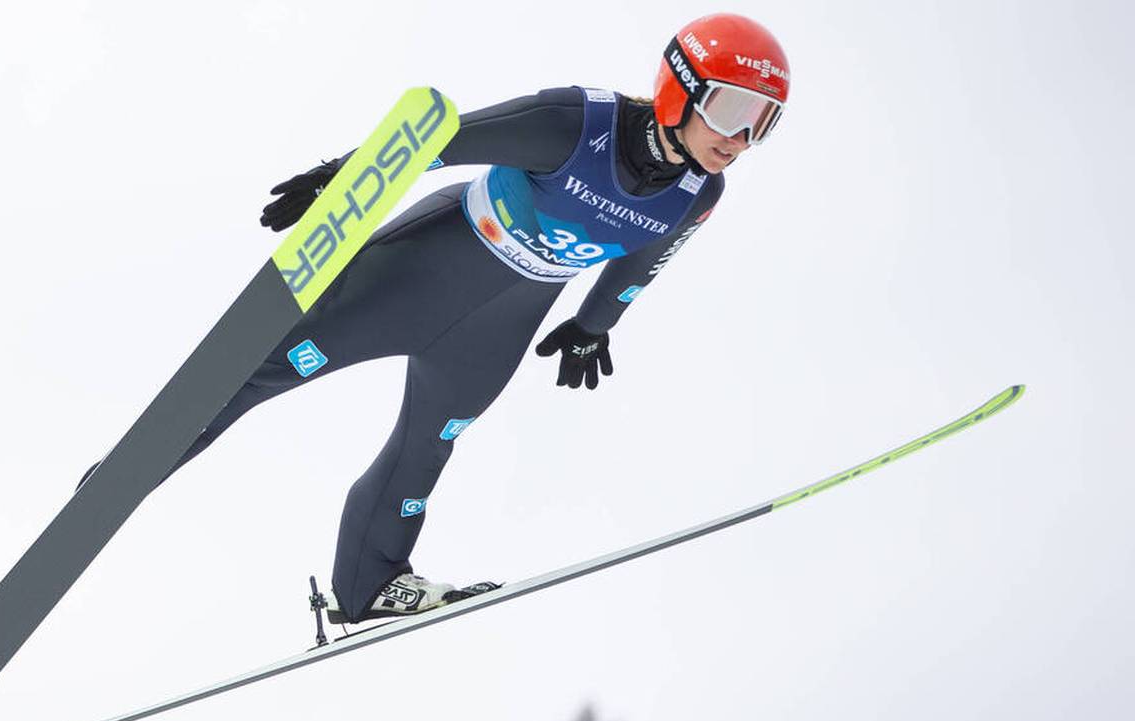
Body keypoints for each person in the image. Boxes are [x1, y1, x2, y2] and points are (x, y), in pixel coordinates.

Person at [84, 13, 790, 624]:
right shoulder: (577, 125)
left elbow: (640, 262)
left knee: (429, 445)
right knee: (256, 373)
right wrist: (338, 176)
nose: (739, 136)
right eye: (730, 108)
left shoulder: (697, 194)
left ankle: (370, 585)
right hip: (422, 270)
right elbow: (440, 138)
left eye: (761, 122)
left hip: (501, 323)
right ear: (678, 87)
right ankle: (119, 481)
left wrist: (593, 325)